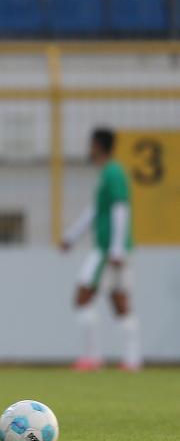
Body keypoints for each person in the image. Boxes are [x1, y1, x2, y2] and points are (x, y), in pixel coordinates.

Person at [61, 127, 141, 371]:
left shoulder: (112, 174)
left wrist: (115, 248)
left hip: (107, 249)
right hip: (118, 249)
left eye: (91, 144)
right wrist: (72, 236)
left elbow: (120, 209)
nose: (89, 148)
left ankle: (93, 357)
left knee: (82, 297)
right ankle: (132, 360)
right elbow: (95, 211)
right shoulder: (109, 174)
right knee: (120, 301)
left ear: (98, 145)